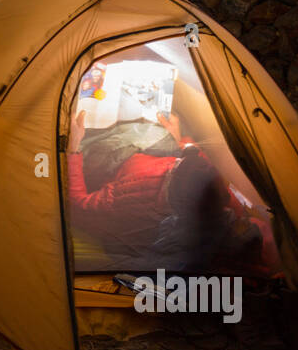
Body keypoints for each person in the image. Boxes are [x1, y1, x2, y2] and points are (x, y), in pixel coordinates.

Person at [66, 108, 278, 275]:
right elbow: (198, 162)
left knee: (132, 132)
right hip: (145, 159)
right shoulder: (221, 203)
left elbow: (78, 203)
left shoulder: (127, 199)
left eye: (178, 164)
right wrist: (178, 139)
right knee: (161, 132)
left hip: (112, 165)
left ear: (173, 175)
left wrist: (73, 147)